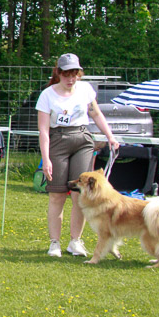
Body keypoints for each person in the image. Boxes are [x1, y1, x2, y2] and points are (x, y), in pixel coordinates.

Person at [36, 53, 119, 257]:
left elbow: (96, 114)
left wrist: (110, 136)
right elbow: (44, 130)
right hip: (58, 141)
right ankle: (54, 243)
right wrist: (46, 160)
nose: (71, 79)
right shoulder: (47, 95)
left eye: (75, 74)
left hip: (82, 139)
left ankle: (75, 241)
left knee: (80, 194)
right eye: (67, 75)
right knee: (57, 195)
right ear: (59, 73)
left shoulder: (85, 90)